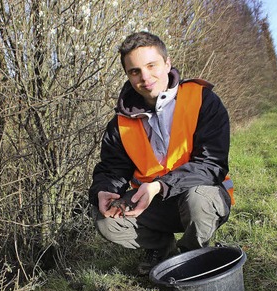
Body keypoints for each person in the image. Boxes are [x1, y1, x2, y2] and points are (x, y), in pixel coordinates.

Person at [88, 31, 234, 275]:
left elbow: (212, 165)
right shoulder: (120, 123)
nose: (145, 77)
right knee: (106, 221)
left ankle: (190, 255)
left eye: (151, 65)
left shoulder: (203, 100)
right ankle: (161, 247)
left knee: (198, 199)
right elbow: (112, 170)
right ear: (128, 75)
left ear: (167, 63)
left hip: (202, 194)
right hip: (151, 202)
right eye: (134, 71)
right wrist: (104, 190)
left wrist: (159, 186)